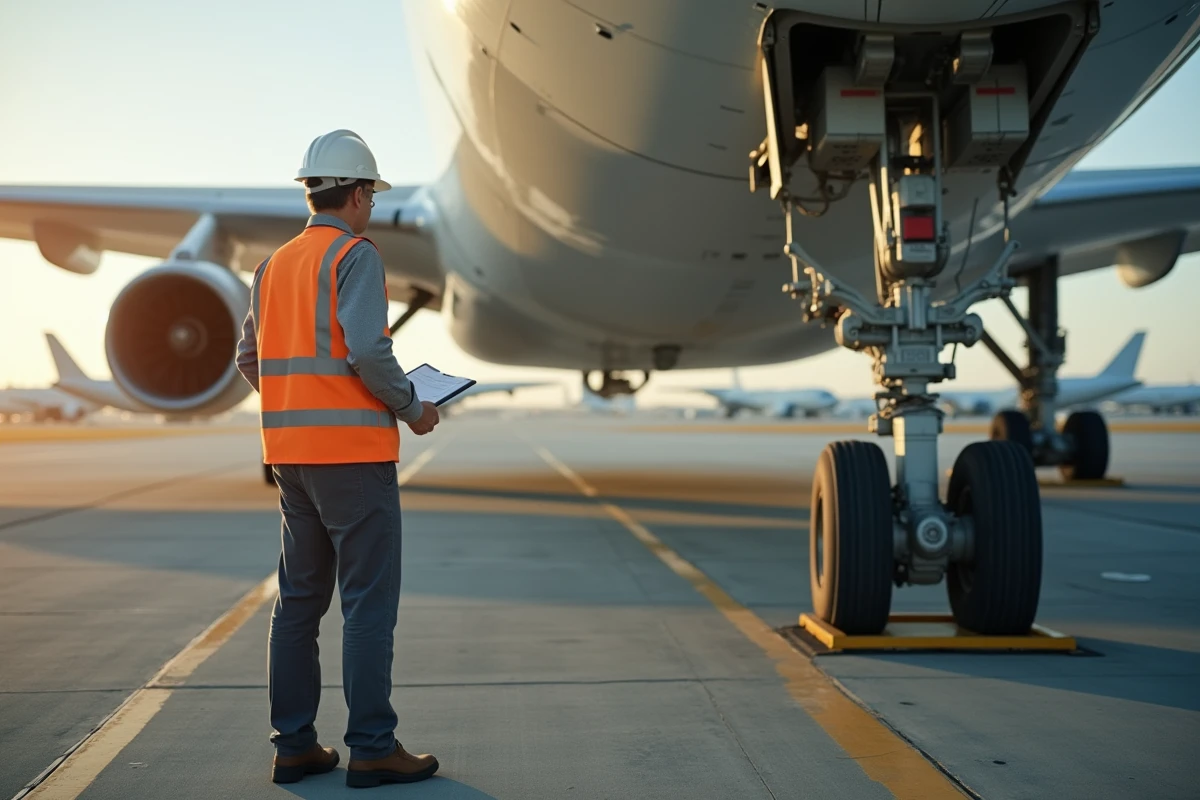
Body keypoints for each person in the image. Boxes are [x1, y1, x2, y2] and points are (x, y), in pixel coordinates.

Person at [235, 129, 441, 789]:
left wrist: (298, 400)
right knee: (367, 606)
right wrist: (413, 408)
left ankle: (293, 746)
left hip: (292, 460)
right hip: (353, 459)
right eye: (371, 196)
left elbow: (248, 359)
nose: (372, 208)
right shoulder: (355, 255)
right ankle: (373, 747)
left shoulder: (274, 266)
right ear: (355, 194)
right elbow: (368, 350)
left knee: (297, 604)